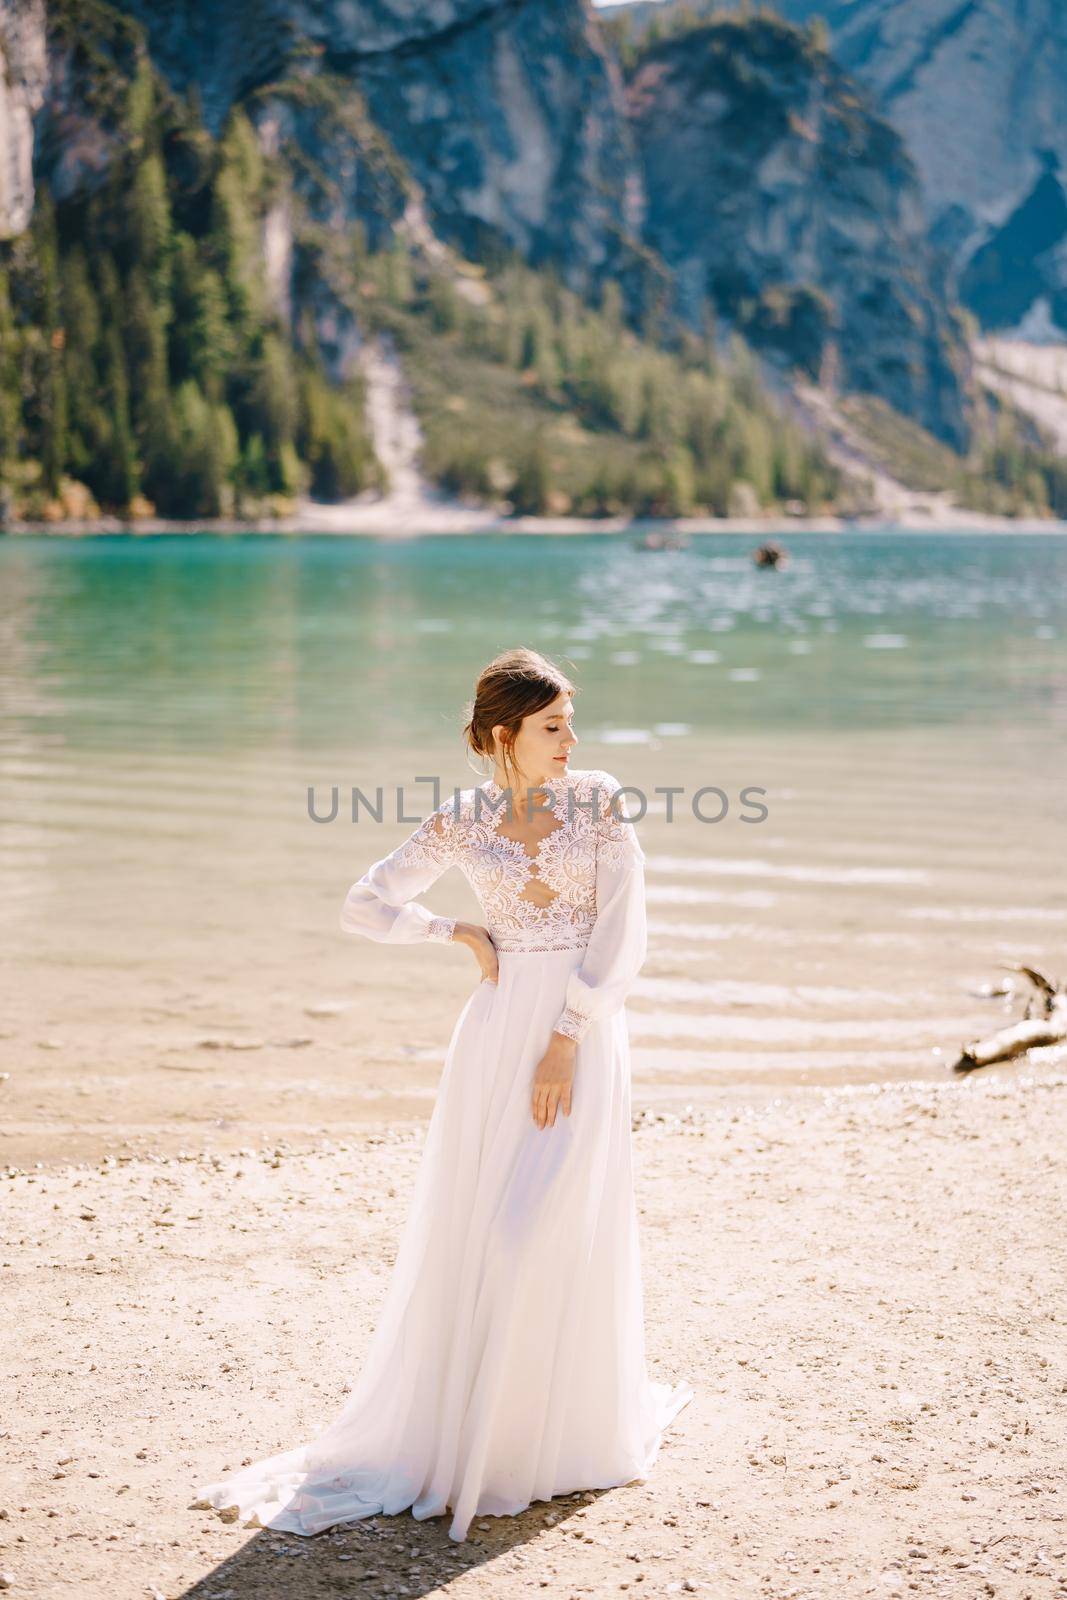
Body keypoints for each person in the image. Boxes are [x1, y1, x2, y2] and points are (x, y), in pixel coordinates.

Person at [191, 647, 693, 1542]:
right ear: (506, 735)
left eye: (570, 722)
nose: (571, 739)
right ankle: (476, 1437)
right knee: (484, 1231)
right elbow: (365, 903)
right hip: (496, 1036)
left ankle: (547, 1440)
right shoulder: (462, 820)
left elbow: (624, 935)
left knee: (537, 1227)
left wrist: (568, 1037)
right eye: (552, 726)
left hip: (576, 1035)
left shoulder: (596, 800)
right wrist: (452, 928)